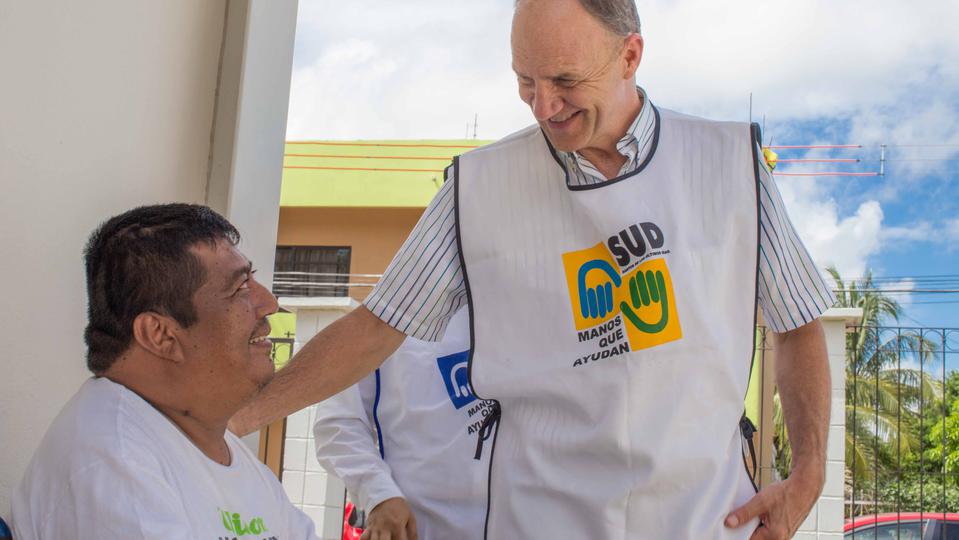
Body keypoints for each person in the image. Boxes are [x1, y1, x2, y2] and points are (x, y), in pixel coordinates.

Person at [231, 0, 835, 538]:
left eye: (566, 80)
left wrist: (808, 474)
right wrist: (235, 420)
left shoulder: (729, 164)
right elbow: (377, 327)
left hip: (704, 522)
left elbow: (798, 323)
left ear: (630, 55)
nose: (545, 106)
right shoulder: (478, 187)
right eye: (526, 81)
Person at [13, 204, 318, 540]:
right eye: (240, 288)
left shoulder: (213, 447)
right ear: (160, 335)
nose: (269, 304)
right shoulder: (114, 460)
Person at [313, 308, 490, 540]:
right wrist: (380, 494)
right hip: (424, 529)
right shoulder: (387, 317)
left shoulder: (522, 314)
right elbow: (338, 423)